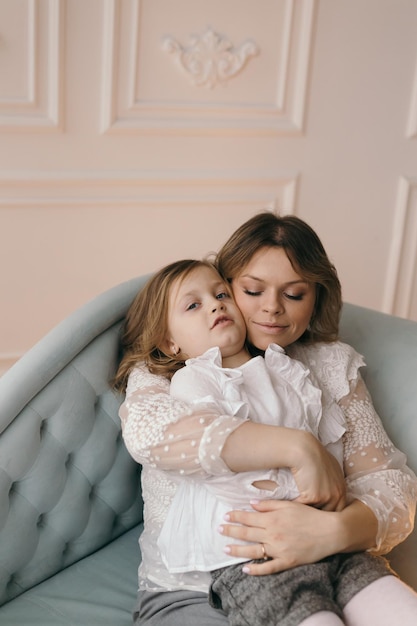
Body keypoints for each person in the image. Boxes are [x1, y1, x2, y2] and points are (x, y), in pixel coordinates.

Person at [114, 212, 417, 625]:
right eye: (252, 290)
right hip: (197, 586)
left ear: (316, 299)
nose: (272, 309)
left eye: (294, 295)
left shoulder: (326, 366)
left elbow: (391, 485)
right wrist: (299, 447)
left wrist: (332, 533)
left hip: (333, 557)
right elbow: (150, 434)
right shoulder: (172, 365)